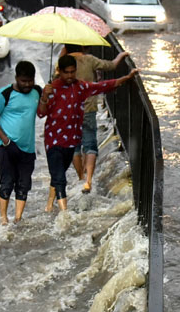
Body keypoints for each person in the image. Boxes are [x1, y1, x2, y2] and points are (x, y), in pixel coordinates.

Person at [38, 55, 139, 212]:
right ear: (60, 71)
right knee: (60, 178)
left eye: (73, 72)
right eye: (67, 72)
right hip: (54, 140)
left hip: (71, 141)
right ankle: (65, 215)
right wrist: (44, 97)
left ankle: (49, 206)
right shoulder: (51, 89)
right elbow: (40, 113)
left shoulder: (81, 87)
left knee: (59, 174)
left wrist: (126, 78)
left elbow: (103, 86)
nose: (70, 76)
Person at [57, 43, 130, 193]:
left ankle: (80, 177)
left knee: (74, 146)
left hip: (68, 111)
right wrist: (121, 56)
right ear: (83, 46)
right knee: (90, 144)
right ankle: (88, 181)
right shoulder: (89, 60)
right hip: (88, 108)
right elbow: (111, 66)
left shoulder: (62, 65)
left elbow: (56, 82)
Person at [0, 61, 40, 224]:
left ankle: (18, 218)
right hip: (7, 146)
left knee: (24, 184)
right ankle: (3, 218)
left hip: (28, 148)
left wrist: (46, 97)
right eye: (23, 81)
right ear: (16, 78)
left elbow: (43, 112)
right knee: (7, 182)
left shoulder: (37, 92)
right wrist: (5, 139)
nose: (27, 84)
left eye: (30, 81)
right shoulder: (5, 94)